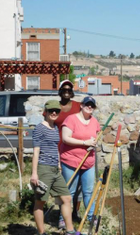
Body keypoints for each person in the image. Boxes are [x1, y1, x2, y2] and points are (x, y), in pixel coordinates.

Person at [30, 100, 75, 235]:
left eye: (56, 110)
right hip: (44, 169)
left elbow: (56, 148)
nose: (54, 113)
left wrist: (59, 164)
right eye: (51, 111)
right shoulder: (39, 128)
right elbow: (36, 151)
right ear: (46, 112)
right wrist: (34, 173)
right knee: (40, 202)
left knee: (66, 198)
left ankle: (70, 231)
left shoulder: (55, 128)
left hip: (55, 169)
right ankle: (42, 232)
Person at [59, 96, 101, 223]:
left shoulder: (94, 122)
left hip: (88, 162)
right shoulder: (71, 119)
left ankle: (91, 218)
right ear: (81, 106)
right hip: (70, 161)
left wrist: (95, 143)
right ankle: (63, 219)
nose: (89, 107)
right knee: (69, 192)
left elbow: (96, 137)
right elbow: (66, 138)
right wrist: (84, 142)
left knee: (88, 192)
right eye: (87, 104)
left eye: (92, 105)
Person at [54, 80, 82, 228]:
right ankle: (62, 216)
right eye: (64, 89)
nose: (66, 91)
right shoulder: (54, 106)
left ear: (72, 92)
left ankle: (74, 213)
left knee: (79, 186)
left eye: (69, 89)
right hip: (59, 149)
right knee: (64, 185)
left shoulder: (78, 106)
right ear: (60, 91)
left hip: (76, 148)